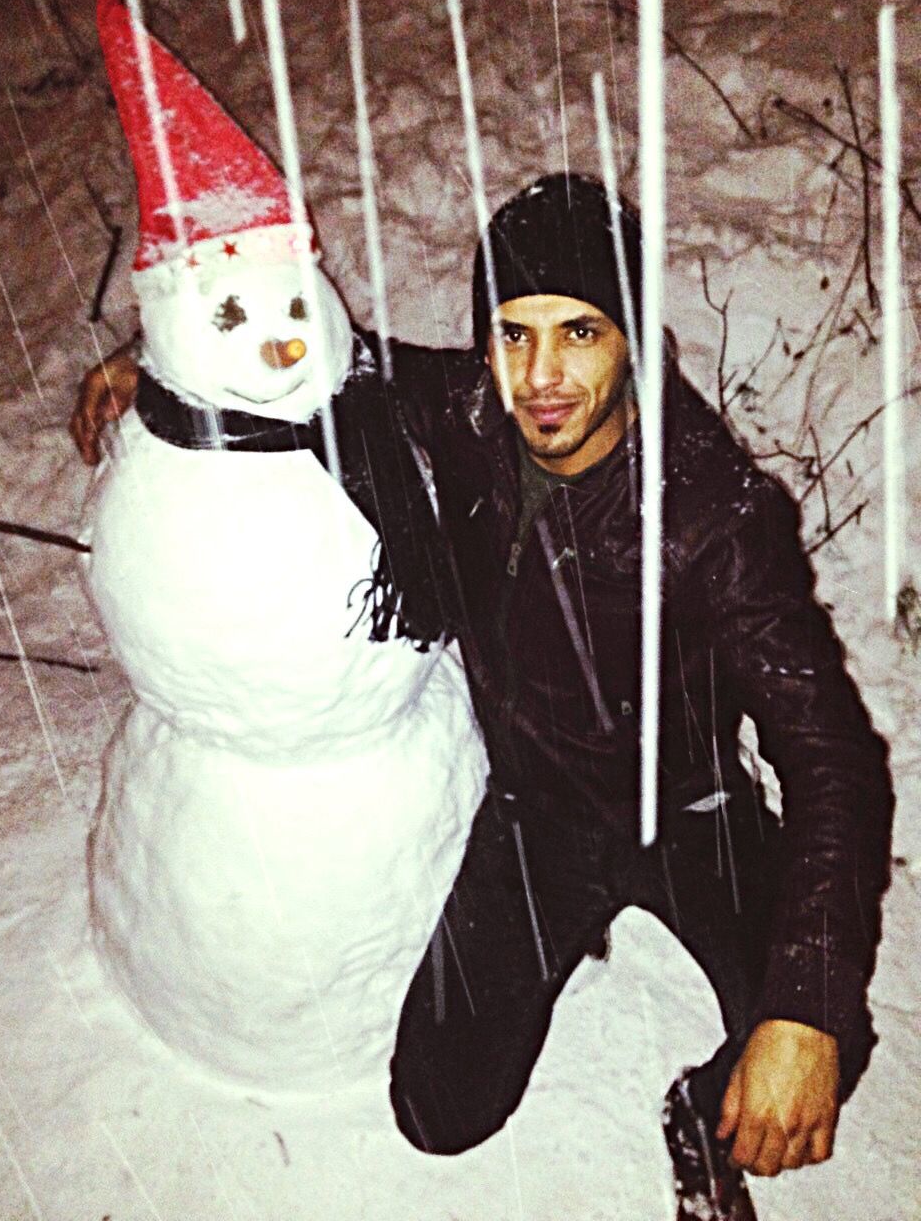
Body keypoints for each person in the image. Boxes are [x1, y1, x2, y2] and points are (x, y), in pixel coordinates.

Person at [71, 172, 893, 1221]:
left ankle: (698, 1106)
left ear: (633, 336)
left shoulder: (714, 517)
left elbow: (834, 757)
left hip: (693, 813)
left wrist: (801, 1012)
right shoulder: (464, 409)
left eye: (581, 333)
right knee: (437, 1108)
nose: (541, 376)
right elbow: (330, 363)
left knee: (830, 1034)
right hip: (537, 814)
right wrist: (167, 370)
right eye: (514, 334)